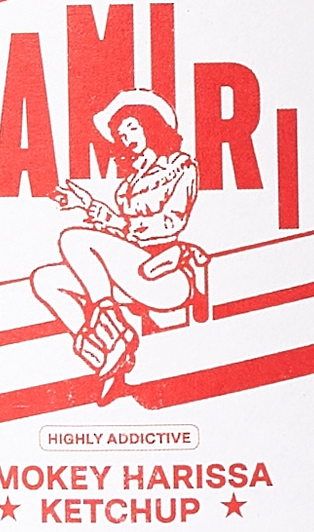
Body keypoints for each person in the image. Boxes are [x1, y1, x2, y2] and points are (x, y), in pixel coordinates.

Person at [31, 89, 202, 402]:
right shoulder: (131, 182)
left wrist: (123, 228)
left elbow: (171, 222)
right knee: (46, 280)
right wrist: (86, 204)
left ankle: (113, 326)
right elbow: (119, 229)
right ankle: (106, 354)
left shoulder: (181, 168)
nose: (127, 138)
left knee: (73, 238)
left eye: (132, 128)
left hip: (163, 274)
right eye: (121, 135)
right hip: (129, 273)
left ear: (151, 125)